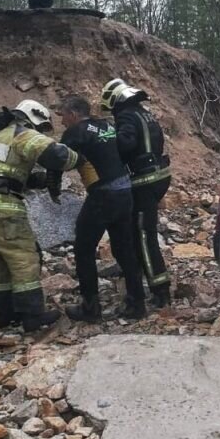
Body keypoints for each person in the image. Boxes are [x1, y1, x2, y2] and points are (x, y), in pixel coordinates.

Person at [0, 100, 79, 332]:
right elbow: (58, 155)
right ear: (33, 118)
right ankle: (33, 316)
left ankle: (4, 315)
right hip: (3, 209)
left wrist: (37, 180)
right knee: (25, 259)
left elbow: (4, 174)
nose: (40, 133)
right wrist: (79, 156)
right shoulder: (23, 135)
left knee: (0, 263)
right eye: (41, 128)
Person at [56, 94, 146, 321]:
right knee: (124, 249)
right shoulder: (105, 125)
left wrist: (51, 185)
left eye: (63, 116)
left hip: (103, 195)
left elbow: (57, 159)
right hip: (125, 192)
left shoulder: (75, 132)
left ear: (74, 114)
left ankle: (90, 308)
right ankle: (137, 304)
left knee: (84, 248)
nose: (62, 121)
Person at [101, 78, 172, 307]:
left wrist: (107, 140)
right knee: (137, 232)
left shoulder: (126, 117)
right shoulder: (144, 113)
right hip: (157, 176)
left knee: (143, 236)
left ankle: (160, 290)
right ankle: (137, 275)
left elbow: (126, 144)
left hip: (144, 182)